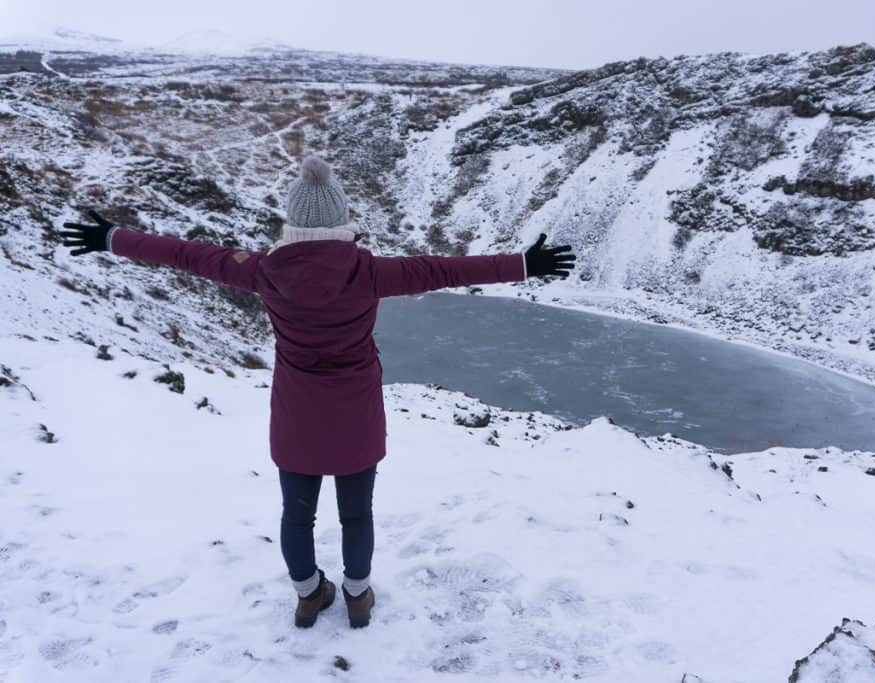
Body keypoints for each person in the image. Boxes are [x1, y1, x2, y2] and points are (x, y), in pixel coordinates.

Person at [59, 156, 576, 630]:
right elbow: (447, 268)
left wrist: (113, 238)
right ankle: (356, 595)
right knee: (357, 513)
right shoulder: (371, 272)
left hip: (295, 415)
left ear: (293, 223)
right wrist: (526, 264)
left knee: (296, 513)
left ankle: (309, 595)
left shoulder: (262, 270)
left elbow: (185, 254)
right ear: (341, 219)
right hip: (357, 415)